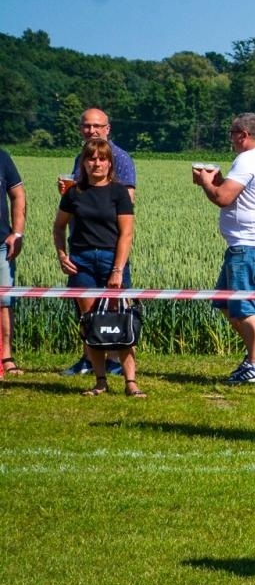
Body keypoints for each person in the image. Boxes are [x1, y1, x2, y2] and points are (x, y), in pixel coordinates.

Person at [193, 113, 255, 384]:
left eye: (232, 136)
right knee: (223, 301)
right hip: (247, 242)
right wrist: (220, 180)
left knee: (242, 305)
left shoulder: (248, 159)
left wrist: (206, 182)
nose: (231, 141)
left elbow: (223, 198)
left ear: (243, 134)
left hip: (248, 244)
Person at [52, 137, 143, 397]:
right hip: (81, 263)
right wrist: (61, 254)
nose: (97, 164)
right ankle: (100, 380)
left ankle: (130, 382)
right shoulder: (73, 193)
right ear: (84, 163)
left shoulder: (119, 193)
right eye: (91, 159)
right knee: (90, 323)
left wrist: (117, 269)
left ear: (109, 163)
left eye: (102, 159)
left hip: (111, 260)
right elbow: (59, 227)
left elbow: (126, 234)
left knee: (119, 320)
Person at [0, 146, 26, 379]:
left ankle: (5, 357)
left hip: (1, 243)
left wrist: (17, 233)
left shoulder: (2, 157)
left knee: (4, 301)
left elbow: (17, 194)